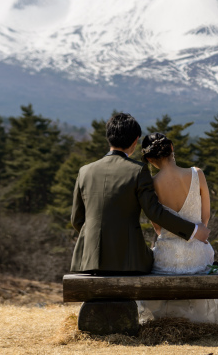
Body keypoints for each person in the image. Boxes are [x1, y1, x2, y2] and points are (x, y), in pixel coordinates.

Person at [136, 132, 218, 327]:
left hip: (167, 256)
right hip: (198, 251)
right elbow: (205, 218)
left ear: (149, 159)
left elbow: (158, 227)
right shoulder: (197, 174)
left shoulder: (152, 185)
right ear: (172, 148)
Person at [70, 113, 210, 274]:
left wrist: (96, 243)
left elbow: (76, 219)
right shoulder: (137, 171)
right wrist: (193, 230)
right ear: (135, 141)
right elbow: (154, 212)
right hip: (129, 261)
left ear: (108, 136)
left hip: (88, 259)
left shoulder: (84, 171)